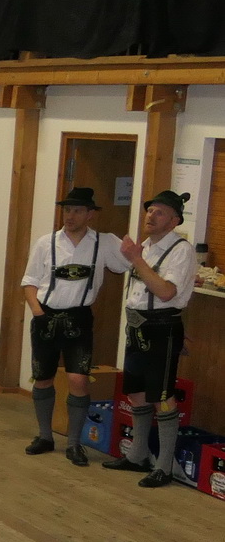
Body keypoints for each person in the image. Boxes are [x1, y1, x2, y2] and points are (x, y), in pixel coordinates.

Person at [20, 187, 130, 464]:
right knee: (42, 377)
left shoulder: (104, 243)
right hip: (45, 316)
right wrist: (37, 312)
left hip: (79, 318)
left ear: (90, 214)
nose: (70, 215)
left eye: (77, 210)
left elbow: (128, 264)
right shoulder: (46, 242)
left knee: (78, 379)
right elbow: (29, 281)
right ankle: (45, 436)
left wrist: (137, 250)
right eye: (67, 210)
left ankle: (74, 443)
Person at [102, 189, 199, 488]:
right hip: (137, 326)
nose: (151, 216)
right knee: (137, 393)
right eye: (149, 210)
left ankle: (164, 466)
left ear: (174, 221)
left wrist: (136, 260)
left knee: (162, 396)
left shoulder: (181, 250)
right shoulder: (144, 246)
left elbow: (167, 292)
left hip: (161, 328)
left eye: (159, 212)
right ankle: (138, 455)